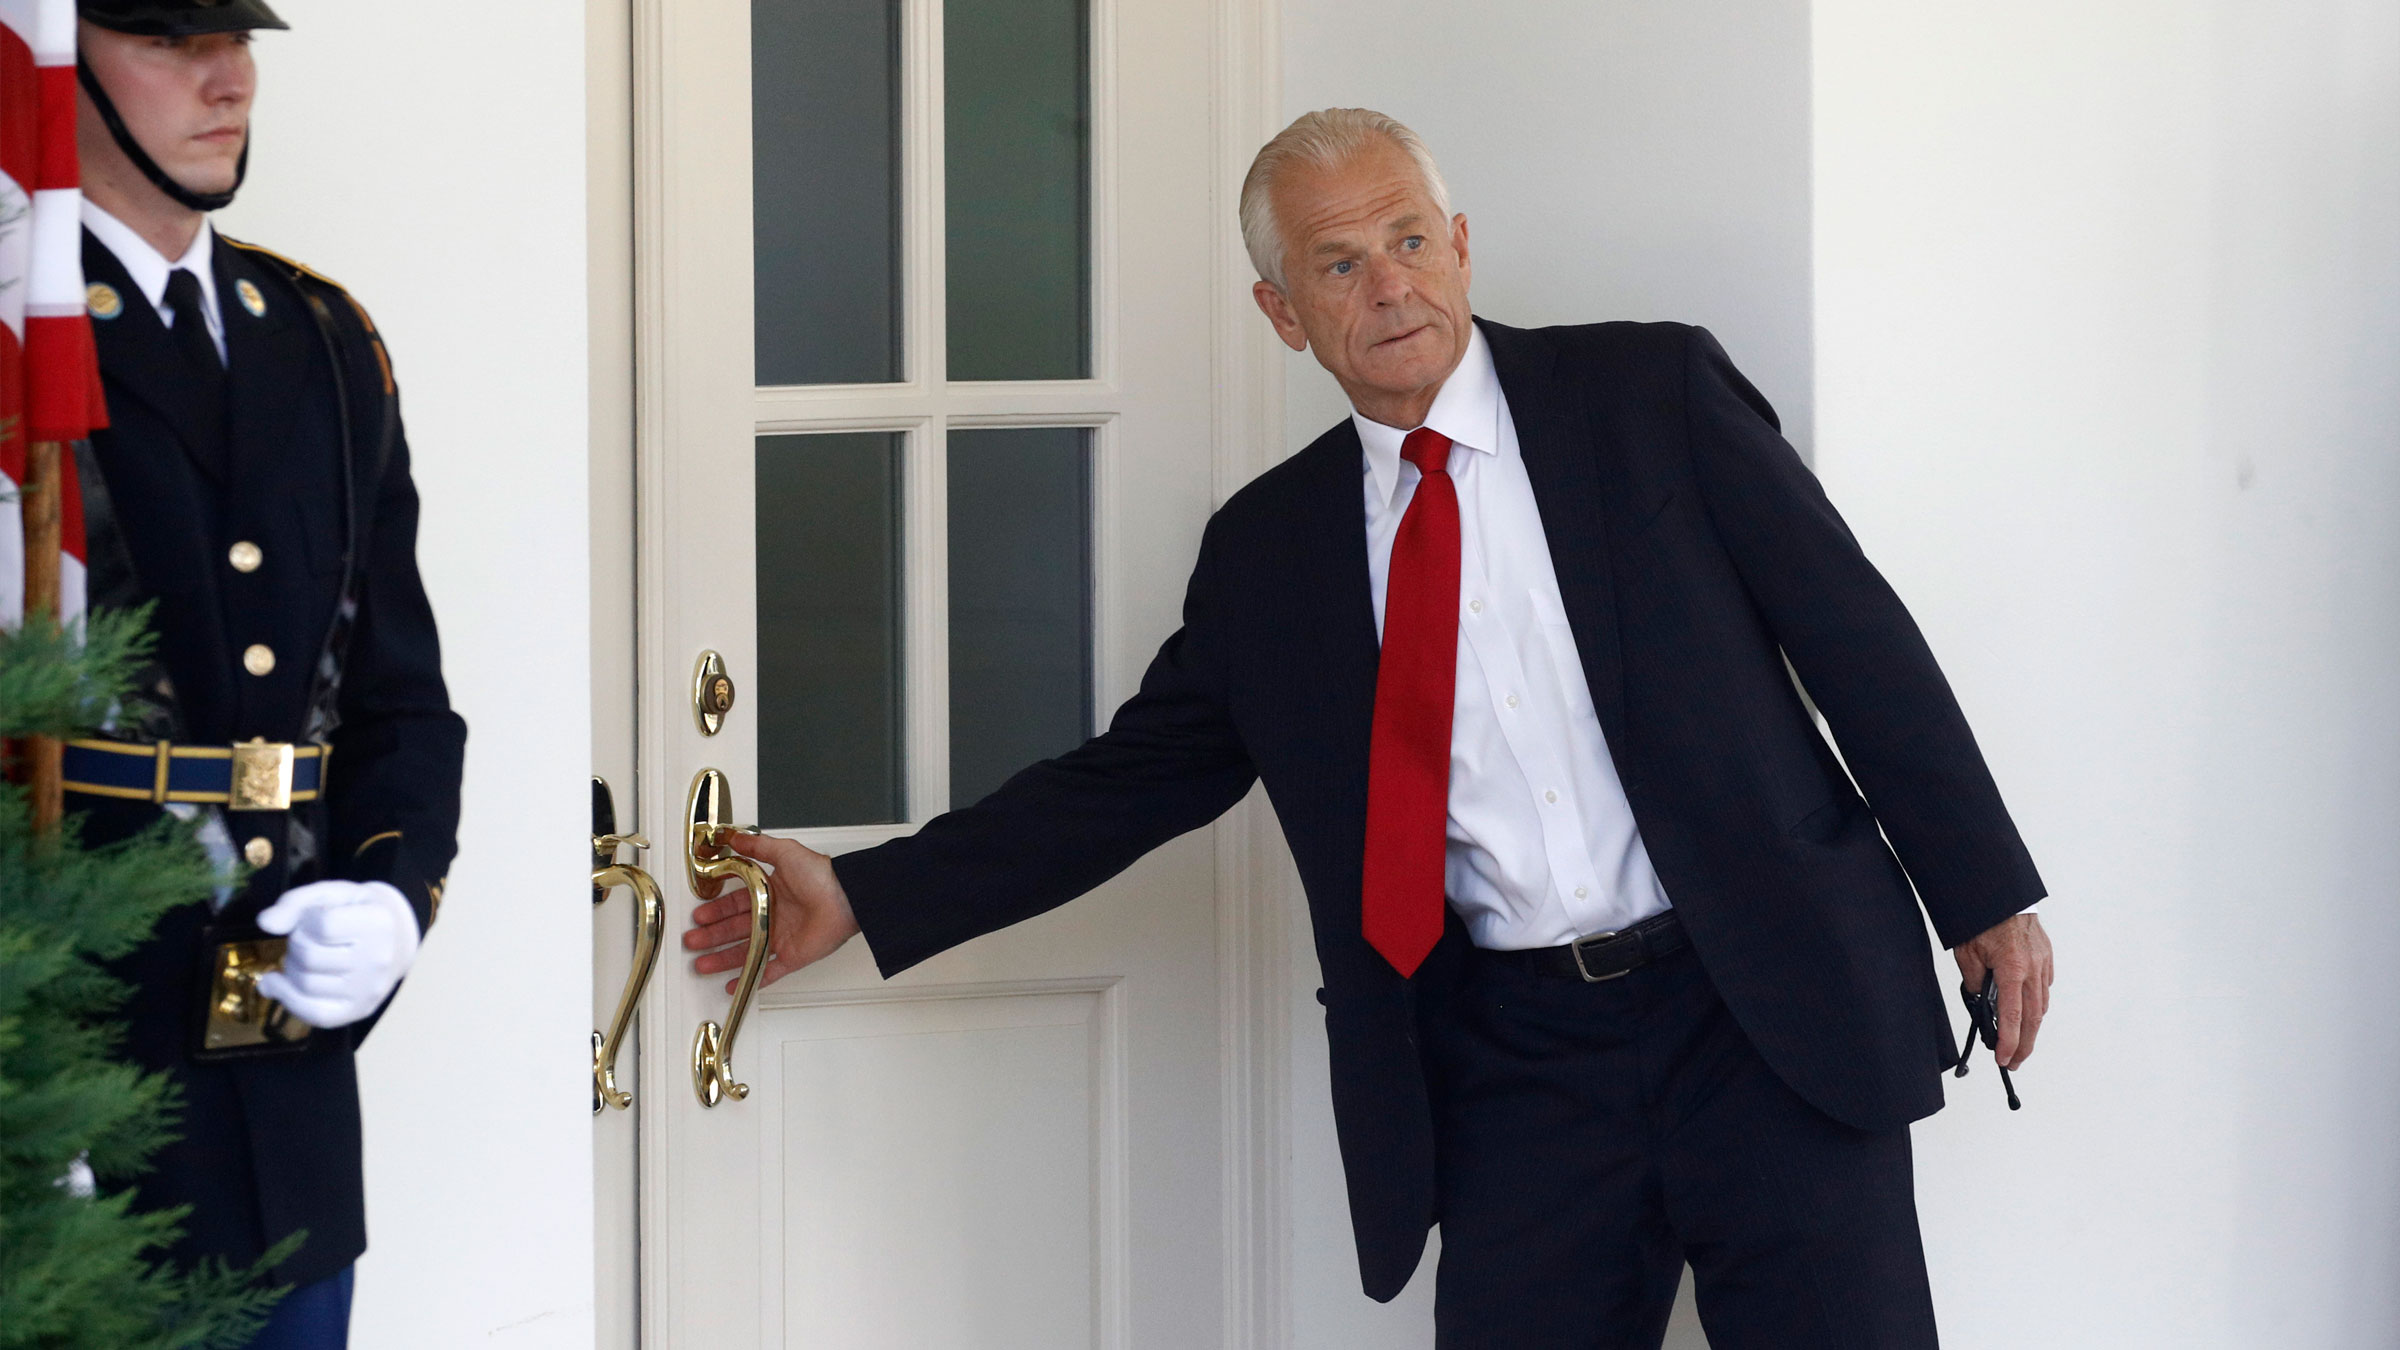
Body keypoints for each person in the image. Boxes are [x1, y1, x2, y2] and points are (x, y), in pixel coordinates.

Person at [684, 108, 2052, 1349]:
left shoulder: (1651, 400)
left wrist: (1982, 892)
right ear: (1285, 313)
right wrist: (867, 892)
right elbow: (1126, 782)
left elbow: (1858, 639)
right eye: (1340, 264)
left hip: (1760, 1008)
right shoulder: (1272, 556)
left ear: (1458, 245)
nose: (1389, 283)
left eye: (1408, 239)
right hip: (1517, 1062)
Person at [63, 2, 466, 1345]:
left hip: (278, 1097)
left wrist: (398, 894)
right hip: (63, 1082)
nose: (229, 75)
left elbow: (398, 695)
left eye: (236, 36)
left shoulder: (320, 339)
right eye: (173, 39)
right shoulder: (25, 342)